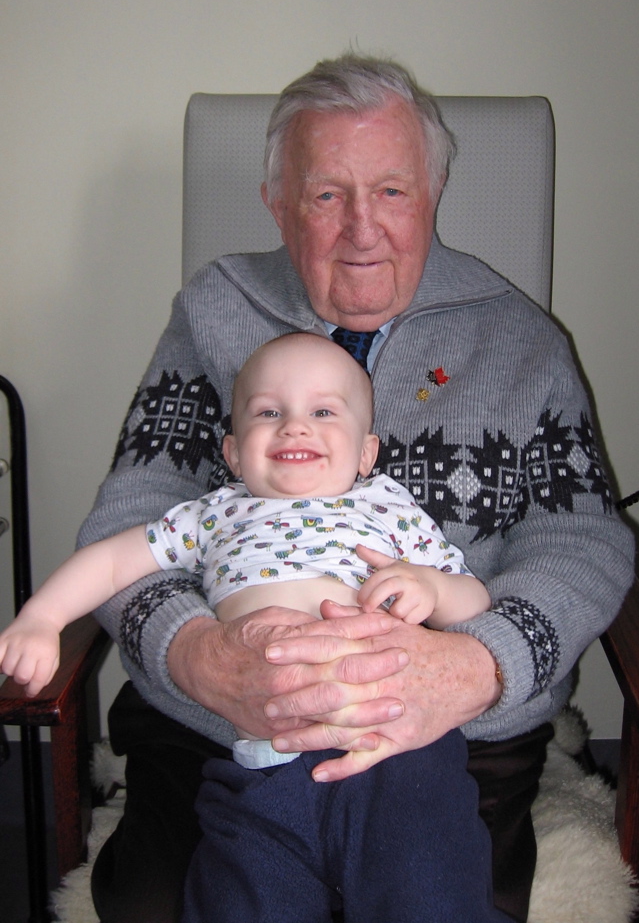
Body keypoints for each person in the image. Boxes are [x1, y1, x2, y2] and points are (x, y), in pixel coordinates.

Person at [74, 54, 634, 923]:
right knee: (154, 903)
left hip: (448, 739)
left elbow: (585, 540)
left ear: (435, 191)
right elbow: (133, 512)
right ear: (276, 202)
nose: (362, 230)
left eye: (393, 193)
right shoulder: (213, 312)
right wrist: (197, 654)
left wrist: (477, 662)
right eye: (327, 194)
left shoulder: (522, 341)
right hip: (221, 731)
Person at [1, 334, 510, 921]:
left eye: (323, 411)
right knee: (240, 899)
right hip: (262, 763)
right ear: (236, 452)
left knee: (431, 898)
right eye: (269, 412)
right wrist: (42, 617)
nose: (295, 427)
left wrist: (433, 589)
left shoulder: (390, 509)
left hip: (398, 756)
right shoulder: (214, 514)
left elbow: (472, 598)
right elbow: (113, 561)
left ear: (367, 453)